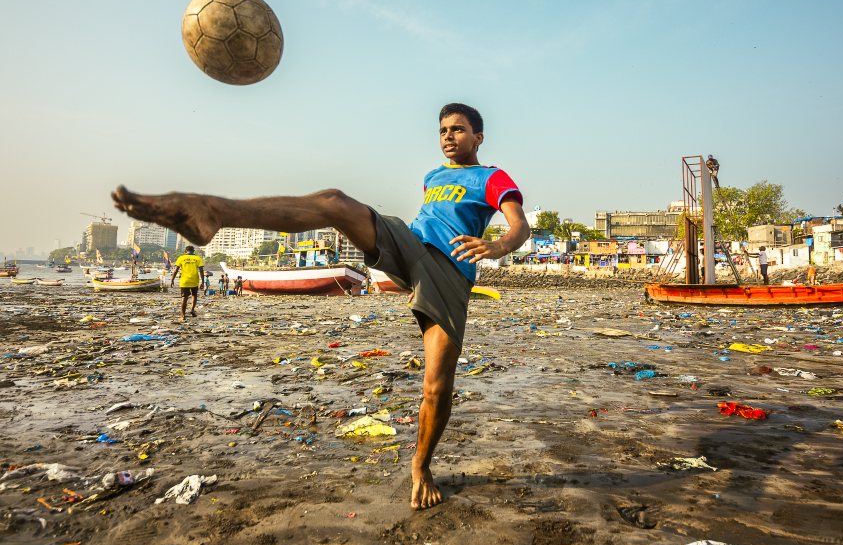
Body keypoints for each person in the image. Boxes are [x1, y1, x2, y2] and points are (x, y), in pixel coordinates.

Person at [110, 102, 530, 512]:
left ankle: (421, 467)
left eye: (457, 130)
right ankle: (214, 211)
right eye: (442, 131)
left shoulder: (490, 177)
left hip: (448, 273)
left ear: (477, 136)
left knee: (436, 389)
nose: (448, 137)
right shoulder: (433, 176)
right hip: (409, 241)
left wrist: (499, 245)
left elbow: (520, 225)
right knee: (334, 201)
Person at [171, 245, 204, 320]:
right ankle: (192, 309)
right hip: (194, 280)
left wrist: (172, 279)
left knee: (184, 298)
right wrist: (203, 282)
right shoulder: (198, 258)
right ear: (193, 251)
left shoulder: (181, 258)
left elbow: (176, 270)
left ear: (186, 251)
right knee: (194, 296)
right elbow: (201, 271)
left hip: (184, 281)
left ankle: (183, 315)